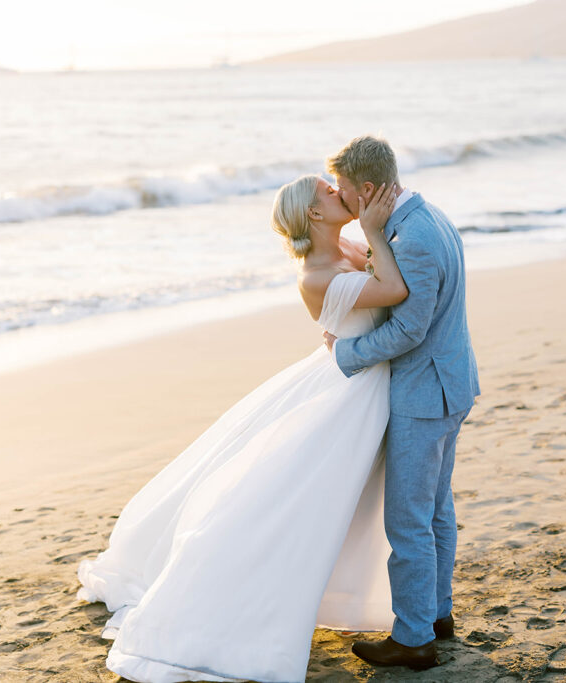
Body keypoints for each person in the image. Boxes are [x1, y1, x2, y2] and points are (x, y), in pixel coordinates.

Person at [76, 173, 407, 682]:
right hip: (350, 388)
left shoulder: (346, 242)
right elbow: (395, 288)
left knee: (343, 506)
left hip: (358, 378)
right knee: (297, 504)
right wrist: (377, 231)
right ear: (314, 213)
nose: (337, 193)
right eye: (327, 190)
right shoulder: (315, 274)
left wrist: (374, 230)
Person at [322, 135, 480, 671]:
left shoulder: (411, 237)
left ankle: (413, 638)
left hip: (424, 392)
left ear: (368, 190)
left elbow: (410, 330)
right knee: (436, 509)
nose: (340, 199)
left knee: (409, 520)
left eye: (344, 191)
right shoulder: (426, 215)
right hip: (451, 383)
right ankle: (437, 613)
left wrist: (347, 352)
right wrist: (368, 239)